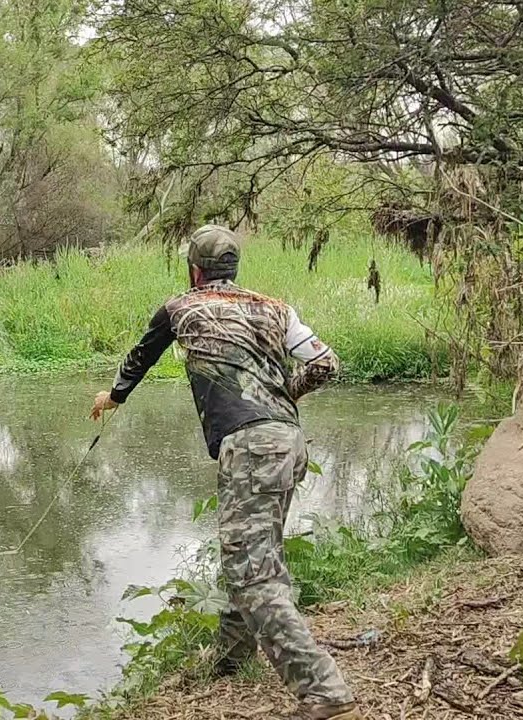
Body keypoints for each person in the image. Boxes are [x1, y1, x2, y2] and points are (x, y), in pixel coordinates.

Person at [89, 225, 363, 720]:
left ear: (194, 270)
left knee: (252, 570)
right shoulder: (277, 308)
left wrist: (112, 397)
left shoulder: (180, 308)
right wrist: (282, 397)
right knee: (249, 552)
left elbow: (139, 358)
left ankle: (323, 688)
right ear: (232, 268)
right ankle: (232, 659)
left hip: (251, 446)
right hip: (287, 440)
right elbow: (326, 363)